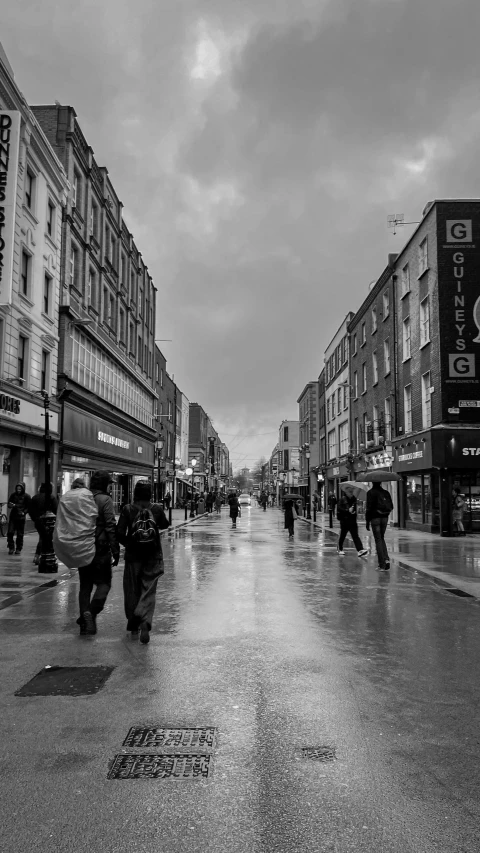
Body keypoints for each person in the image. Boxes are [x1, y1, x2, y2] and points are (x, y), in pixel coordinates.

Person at [117, 480, 169, 644]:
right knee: (149, 589)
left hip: (133, 557)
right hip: (153, 555)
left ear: (135, 493)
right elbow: (165, 524)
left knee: (132, 589)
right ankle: (145, 620)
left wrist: (129, 544)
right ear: (150, 494)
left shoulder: (127, 509)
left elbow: (119, 532)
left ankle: (133, 624)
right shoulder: (157, 509)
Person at [77, 471, 120, 635]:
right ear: (104, 484)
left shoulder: (82, 497)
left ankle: (85, 624)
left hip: (82, 546)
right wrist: (115, 549)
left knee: (85, 586)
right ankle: (91, 613)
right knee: (104, 583)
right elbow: (110, 525)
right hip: (100, 548)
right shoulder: (105, 500)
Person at [365, 482, 393, 571]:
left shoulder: (370, 493)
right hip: (385, 518)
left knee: (378, 539)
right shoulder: (386, 492)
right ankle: (386, 559)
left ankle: (382, 564)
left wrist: (367, 521)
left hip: (375, 518)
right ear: (380, 483)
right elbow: (391, 506)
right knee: (381, 538)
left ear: (372, 483)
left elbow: (368, 508)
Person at [29, 483, 58, 565]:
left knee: (43, 537)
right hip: (48, 521)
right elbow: (56, 509)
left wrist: (35, 519)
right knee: (44, 538)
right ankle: (38, 555)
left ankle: (39, 555)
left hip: (38, 521)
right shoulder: (51, 497)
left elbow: (30, 510)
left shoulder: (35, 497)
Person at [336, 487, 368, 557]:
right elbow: (339, 508)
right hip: (344, 520)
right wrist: (347, 510)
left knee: (355, 536)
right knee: (343, 535)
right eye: (350, 492)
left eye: (352, 491)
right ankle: (340, 549)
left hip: (352, 520)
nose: (351, 493)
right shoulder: (342, 499)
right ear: (346, 492)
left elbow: (355, 509)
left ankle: (360, 550)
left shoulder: (354, 499)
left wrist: (354, 512)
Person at [7, 483, 31, 555]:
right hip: (13, 516)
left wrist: (24, 512)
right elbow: (9, 504)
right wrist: (11, 505)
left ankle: (18, 548)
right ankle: (11, 547)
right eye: (17, 489)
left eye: (20, 489)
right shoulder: (13, 495)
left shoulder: (26, 496)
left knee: (20, 534)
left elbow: (29, 506)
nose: (18, 490)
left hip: (21, 517)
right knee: (10, 532)